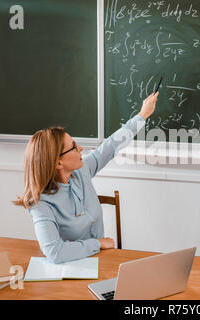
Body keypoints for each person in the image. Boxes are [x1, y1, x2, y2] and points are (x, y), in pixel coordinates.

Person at [14, 93, 159, 263]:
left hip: (100, 260)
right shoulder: (40, 203)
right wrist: (96, 243)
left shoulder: (81, 172)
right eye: (74, 147)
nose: (81, 148)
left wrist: (142, 116)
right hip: (71, 269)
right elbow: (55, 252)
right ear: (58, 162)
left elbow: (111, 145)